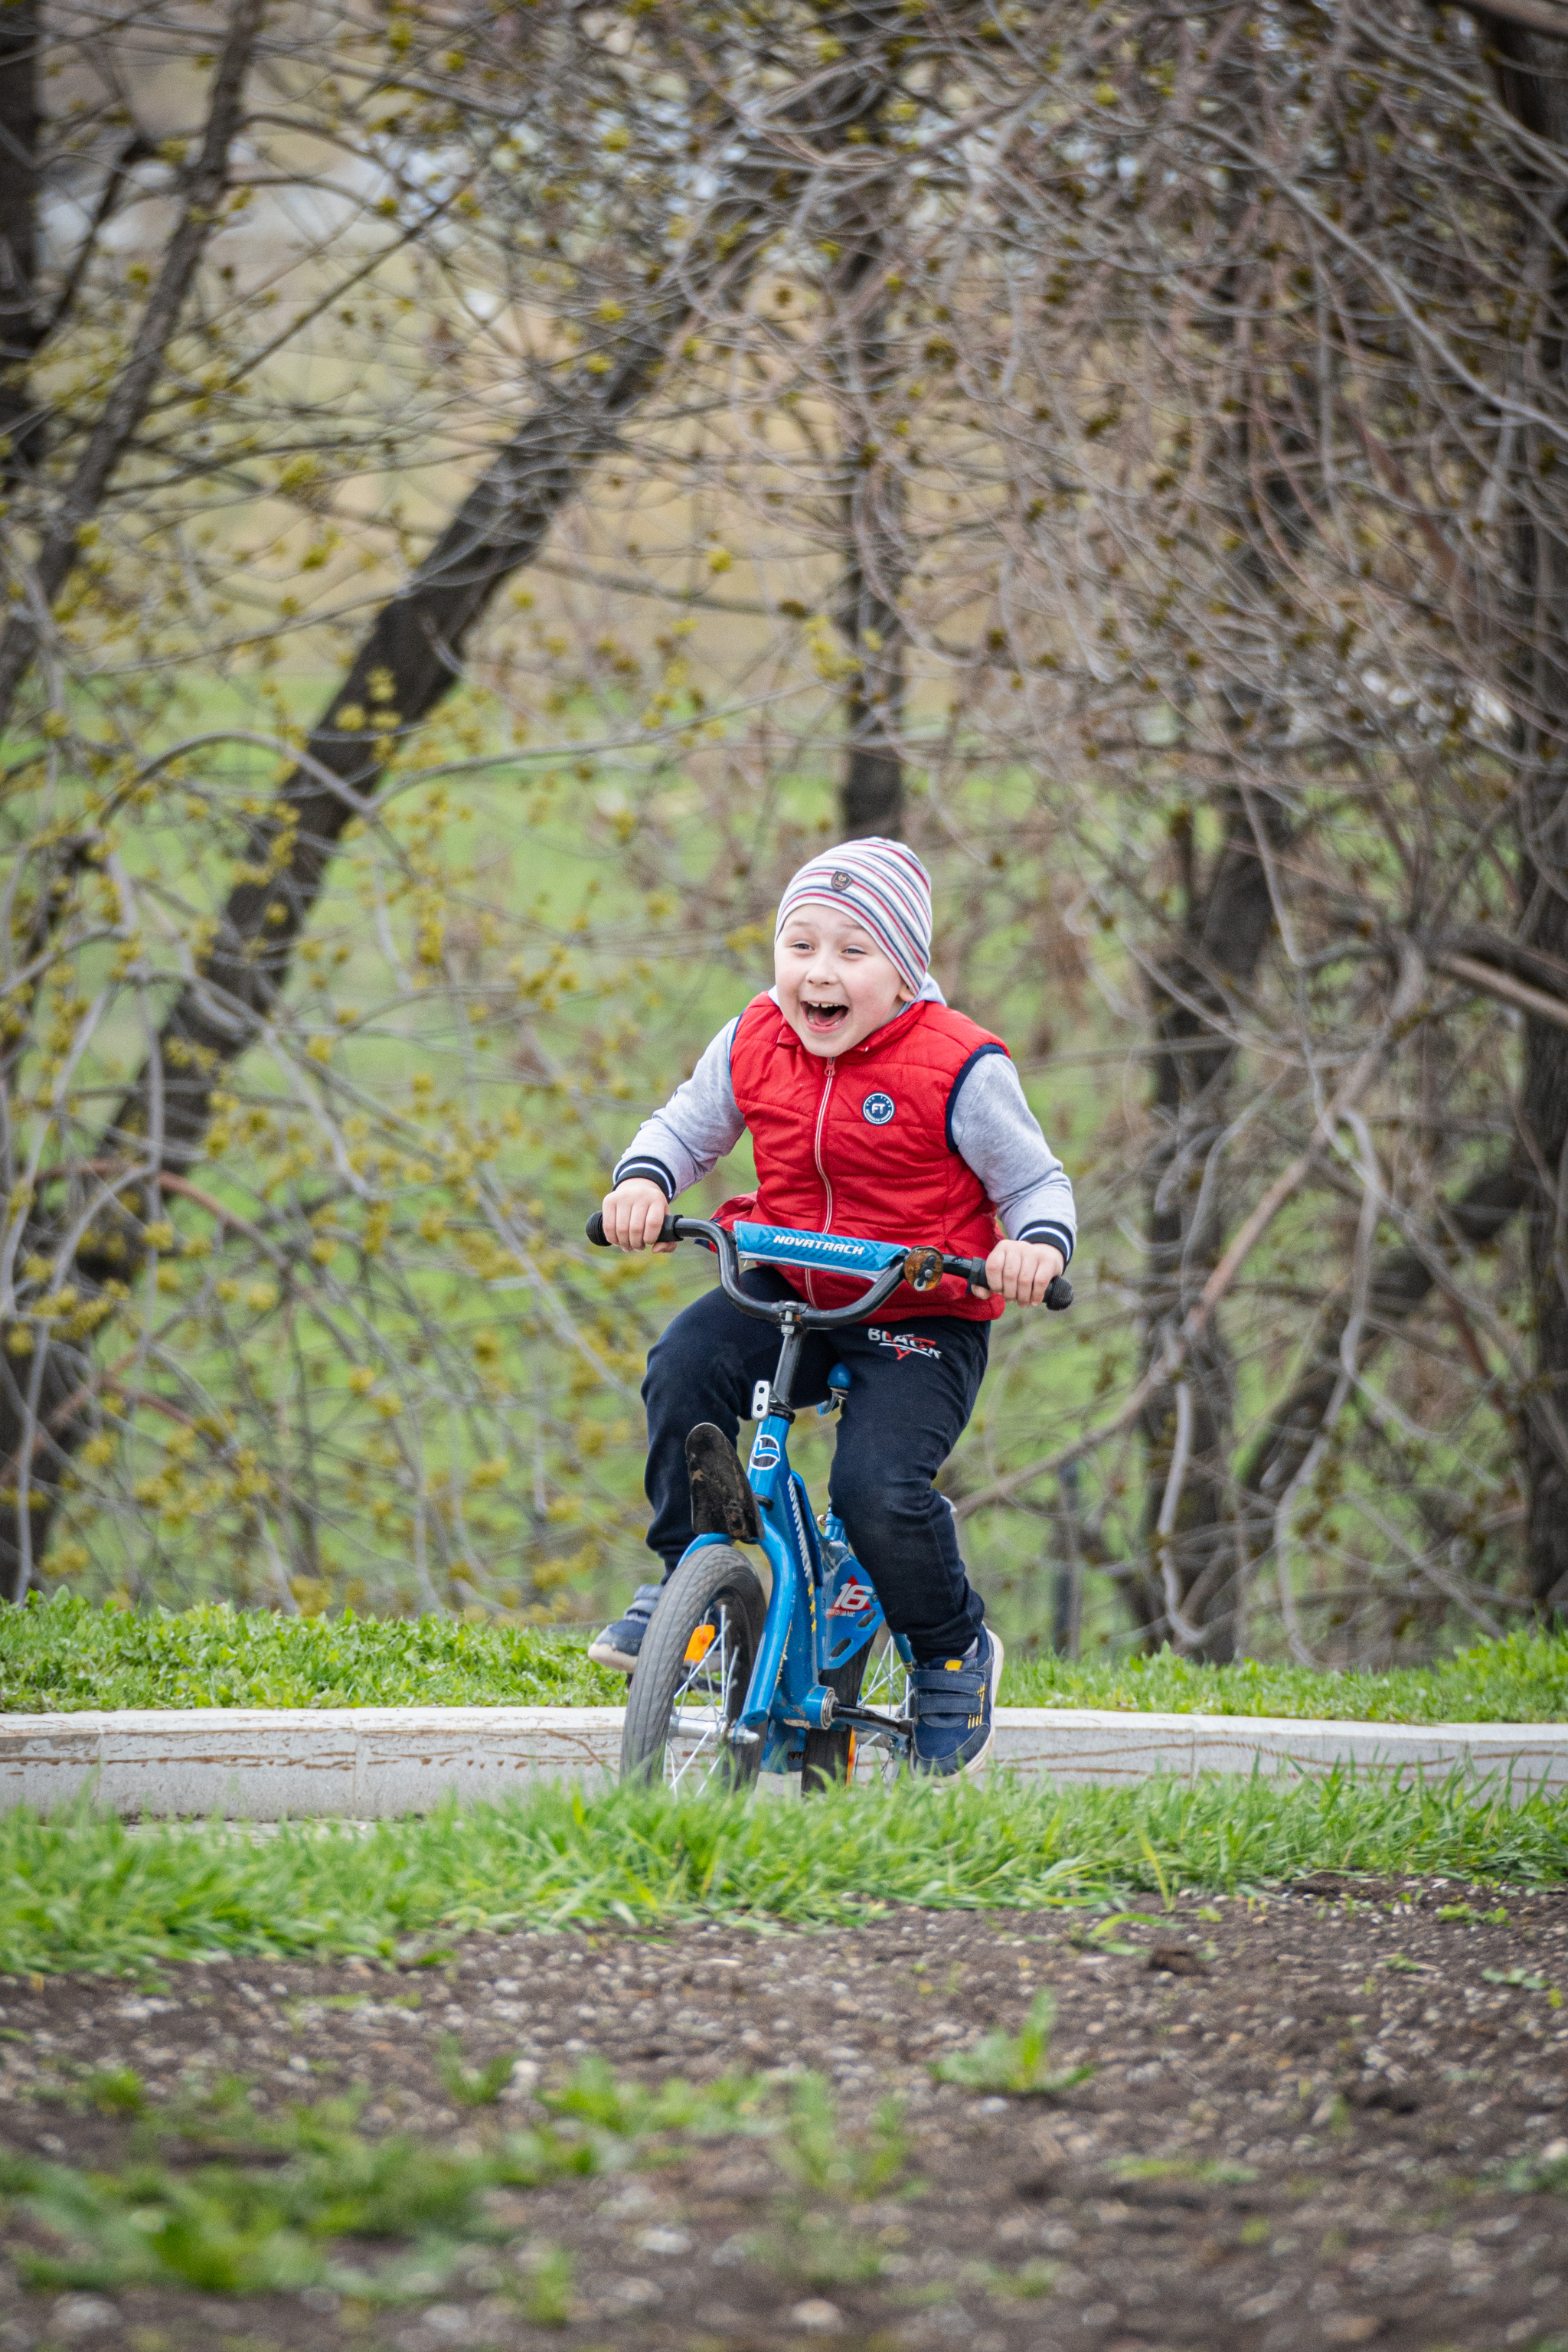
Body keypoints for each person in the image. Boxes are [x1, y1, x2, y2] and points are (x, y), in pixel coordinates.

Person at [589, 836, 1076, 1775]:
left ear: (904, 973)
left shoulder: (959, 1068)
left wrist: (1032, 1248)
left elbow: (1034, 1182)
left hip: (920, 1306)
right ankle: (687, 1577)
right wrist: (643, 1183)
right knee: (683, 1367)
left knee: (873, 1491)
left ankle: (946, 1651)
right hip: (786, 1281)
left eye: (853, 952)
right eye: (800, 945)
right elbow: (684, 1127)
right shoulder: (753, 1038)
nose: (819, 972)